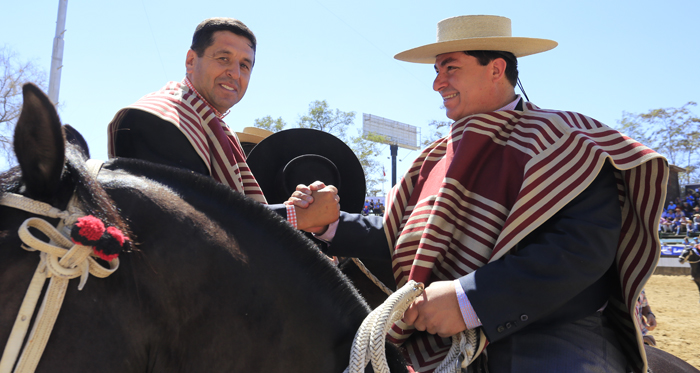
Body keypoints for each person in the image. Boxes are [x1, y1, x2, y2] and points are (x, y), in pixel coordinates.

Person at [291, 15, 666, 373]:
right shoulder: (434, 156)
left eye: (449, 67)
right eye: (436, 71)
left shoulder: (565, 140)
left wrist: (470, 299)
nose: (437, 83)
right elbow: (403, 235)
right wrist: (329, 224)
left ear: (496, 69)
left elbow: (582, 246)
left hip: (548, 328)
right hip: (434, 332)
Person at [107, 18, 338, 231]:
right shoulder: (159, 118)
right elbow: (187, 223)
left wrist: (297, 211)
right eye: (223, 58)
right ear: (190, 61)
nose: (235, 73)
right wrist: (295, 217)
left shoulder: (219, 130)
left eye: (245, 65)